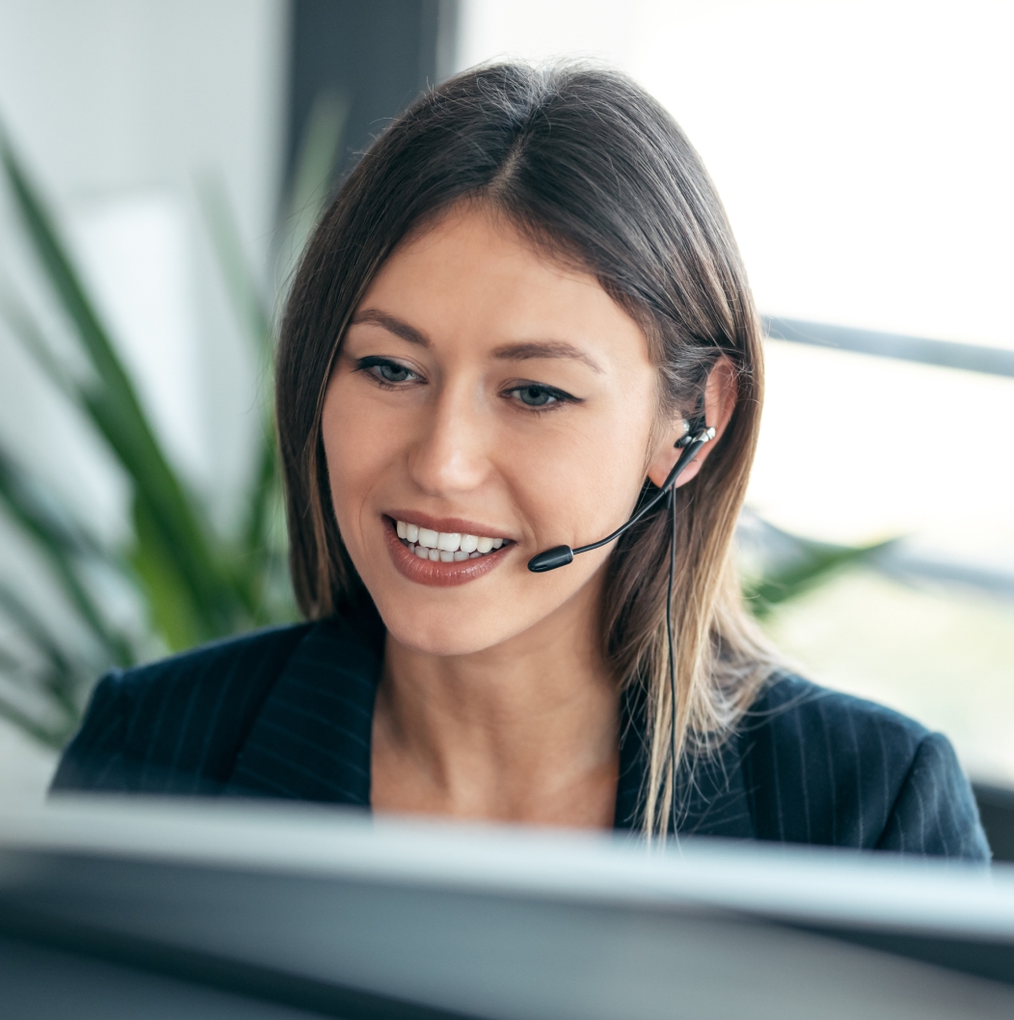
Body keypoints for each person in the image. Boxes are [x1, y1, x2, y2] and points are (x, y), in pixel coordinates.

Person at [53, 63, 988, 858]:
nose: (445, 463)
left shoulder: (867, 812)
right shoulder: (152, 754)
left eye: (536, 392)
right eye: (388, 367)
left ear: (691, 422)